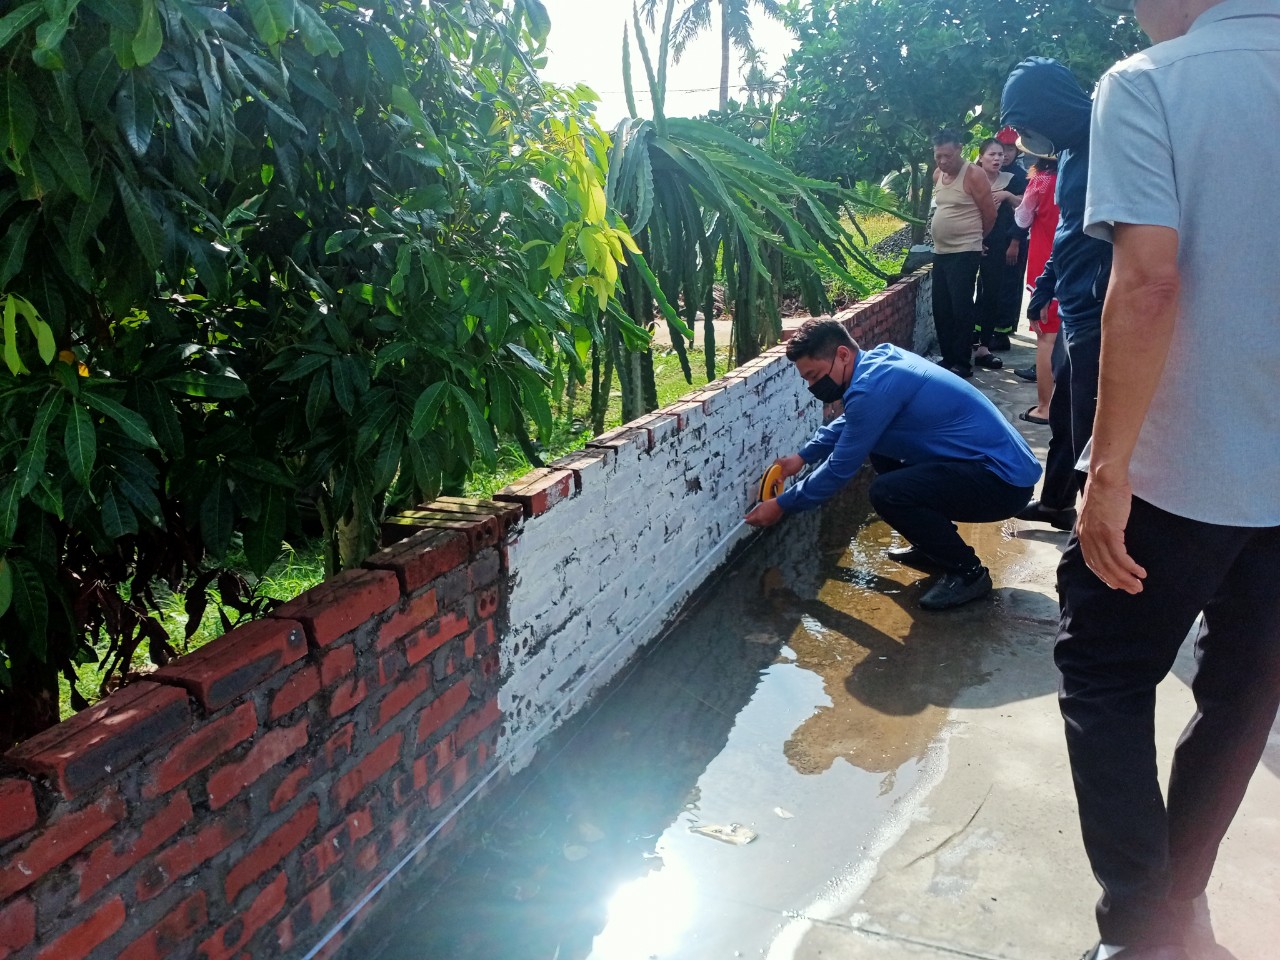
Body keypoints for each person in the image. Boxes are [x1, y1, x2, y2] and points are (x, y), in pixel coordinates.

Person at [1055, 1, 1280, 958]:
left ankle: (1142, 928)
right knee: (1243, 694)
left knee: (1105, 678)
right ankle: (1178, 904)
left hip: (1179, 469)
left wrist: (1107, 470)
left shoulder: (1151, 84)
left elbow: (1147, 281)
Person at [743, 318, 1041, 611]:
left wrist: (781, 505)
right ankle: (933, 544)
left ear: (843, 355)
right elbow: (853, 422)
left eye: (814, 375)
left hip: (1003, 484)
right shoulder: (879, 362)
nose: (812, 385)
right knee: (880, 450)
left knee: (887, 493)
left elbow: (838, 469)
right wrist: (803, 457)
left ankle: (968, 572)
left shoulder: (871, 389)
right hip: (991, 468)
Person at [1001, 57, 1113, 532]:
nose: (1028, 137)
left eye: (1029, 125)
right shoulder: (1069, 153)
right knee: (1066, 415)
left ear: (1052, 109)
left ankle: (1093, 528)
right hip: (1074, 303)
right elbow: (1069, 229)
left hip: (1102, 309)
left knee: (1092, 425)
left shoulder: (1110, 145)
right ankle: (1056, 503)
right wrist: (1047, 282)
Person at [928, 129, 996, 379]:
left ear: (959, 149)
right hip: (941, 251)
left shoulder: (974, 174)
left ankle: (962, 362)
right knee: (941, 307)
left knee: (961, 307)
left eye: (947, 156)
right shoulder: (938, 175)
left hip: (965, 251)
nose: (942, 161)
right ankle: (948, 357)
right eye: (938, 156)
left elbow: (990, 214)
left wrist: (978, 239)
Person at [1012, 155, 1061, 422]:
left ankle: (1046, 407)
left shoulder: (1041, 181)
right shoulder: (1087, 175)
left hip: (1046, 267)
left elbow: (1022, 218)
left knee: (1046, 339)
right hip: (1081, 266)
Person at [973, 138, 1016, 370]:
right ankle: (963, 341)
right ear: (981, 157)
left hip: (998, 244)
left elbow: (1026, 205)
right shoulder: (970, 178)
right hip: (970, 241)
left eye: (1000, 154)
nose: (998, 158)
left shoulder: (1011, 180)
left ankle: (984, 347)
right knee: (963, 293)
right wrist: (975, 239)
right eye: (992, 154)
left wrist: (1008, 196)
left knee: (991, 293)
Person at [990, 127, 1031, 351]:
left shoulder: (1021, 177)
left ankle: (1002, 332)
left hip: (1012, 241)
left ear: (1017, 151)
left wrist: (1015, 242)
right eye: (1000, 150)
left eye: (1009, 150)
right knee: (987, 285)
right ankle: (983, 329)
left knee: (1008, 286)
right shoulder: (985, 174)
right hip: (991, 239)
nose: (1004, 155)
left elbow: (1025, 213)